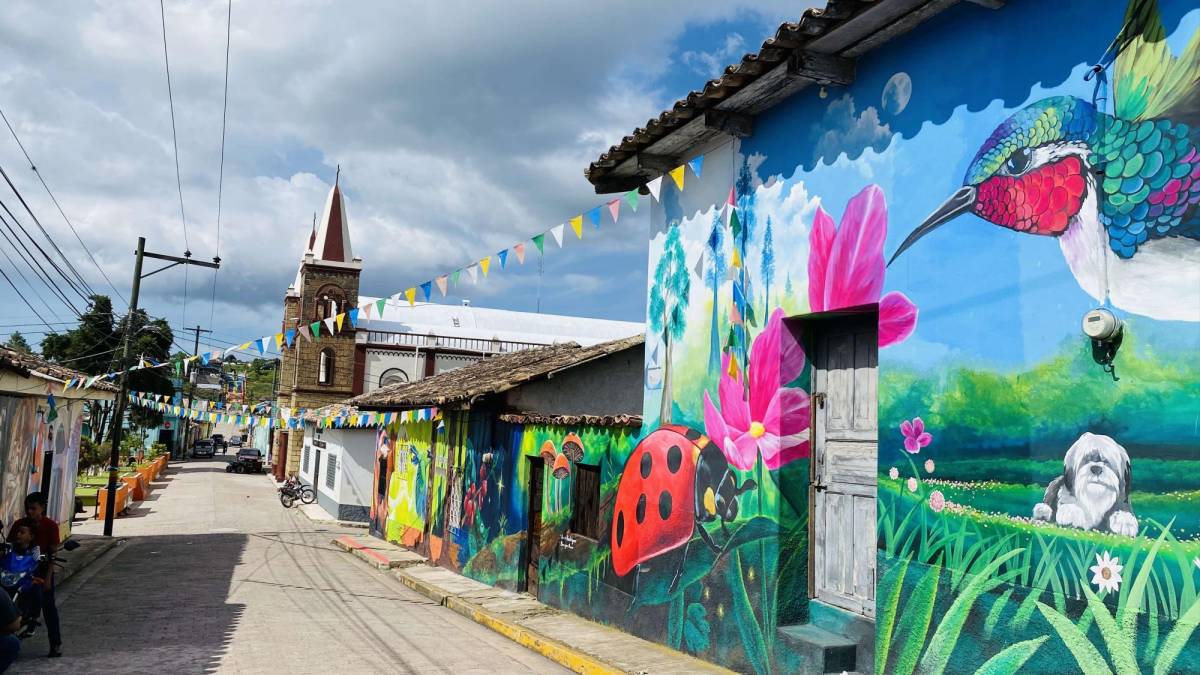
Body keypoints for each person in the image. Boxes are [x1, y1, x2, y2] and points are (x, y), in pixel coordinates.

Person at [7, 493, 60, 658]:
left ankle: (55, 644)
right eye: (27, 508)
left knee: (48, 605)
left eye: (33, 508)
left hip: (41, 571)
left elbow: (53, 553)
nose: (29, 512)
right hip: (18, 571)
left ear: (42, 508)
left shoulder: (50, 526)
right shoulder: (19, 525)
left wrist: (48, 578)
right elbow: (9, 547)